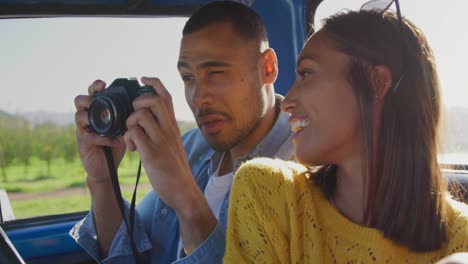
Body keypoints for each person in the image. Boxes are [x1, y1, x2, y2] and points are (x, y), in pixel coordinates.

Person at [224, 9, 468, 263]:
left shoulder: (461, 238)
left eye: (306, 74)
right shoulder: (267, 193)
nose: (288, 102)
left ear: (376, 82)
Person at [69, 1, 294, 263]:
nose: (198, 98)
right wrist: (103, 180)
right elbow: (129, 255)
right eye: (188, 78)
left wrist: (186, 198)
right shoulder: (190, 146)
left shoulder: (305, 166)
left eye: (216, 73)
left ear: (267, 68)